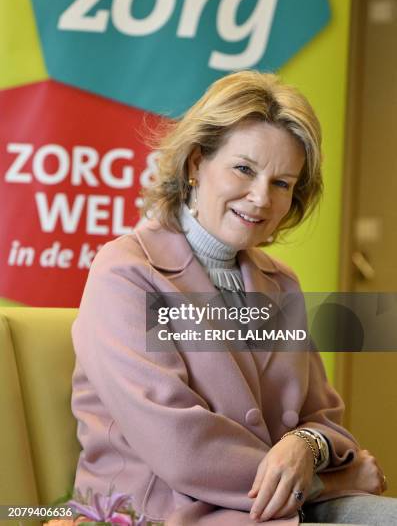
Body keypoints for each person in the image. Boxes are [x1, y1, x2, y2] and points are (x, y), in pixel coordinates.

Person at [71, 71, 396, 525]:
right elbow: (182, 450)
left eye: (283, 183)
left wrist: (307, 445)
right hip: (159, 512)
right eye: (244, 169)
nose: (261, 198)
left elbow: (324, 419)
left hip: (270, 509)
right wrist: (329, 482)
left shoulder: (282, 283)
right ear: (196, 164)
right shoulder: (125, 273)